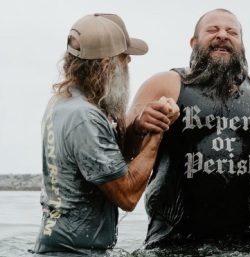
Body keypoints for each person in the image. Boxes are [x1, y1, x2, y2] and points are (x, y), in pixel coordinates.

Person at [125, 8, 250, 253]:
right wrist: (138, 125)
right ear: (193, 43)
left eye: (232, 32)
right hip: (172, 242)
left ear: (241, 45)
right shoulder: (165, 84)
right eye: (213, 30)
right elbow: (123, 150)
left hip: (248, 241)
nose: (223, 35)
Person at [32, 13, 179, 255]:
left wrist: (139, 127)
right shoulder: (84, 118)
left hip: (57, 246)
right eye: (124, 57)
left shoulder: (64, 102)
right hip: (75, 252)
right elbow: (128, 195)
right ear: (105, 65)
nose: (129, 62)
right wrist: (159, 130)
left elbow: (105, 158)